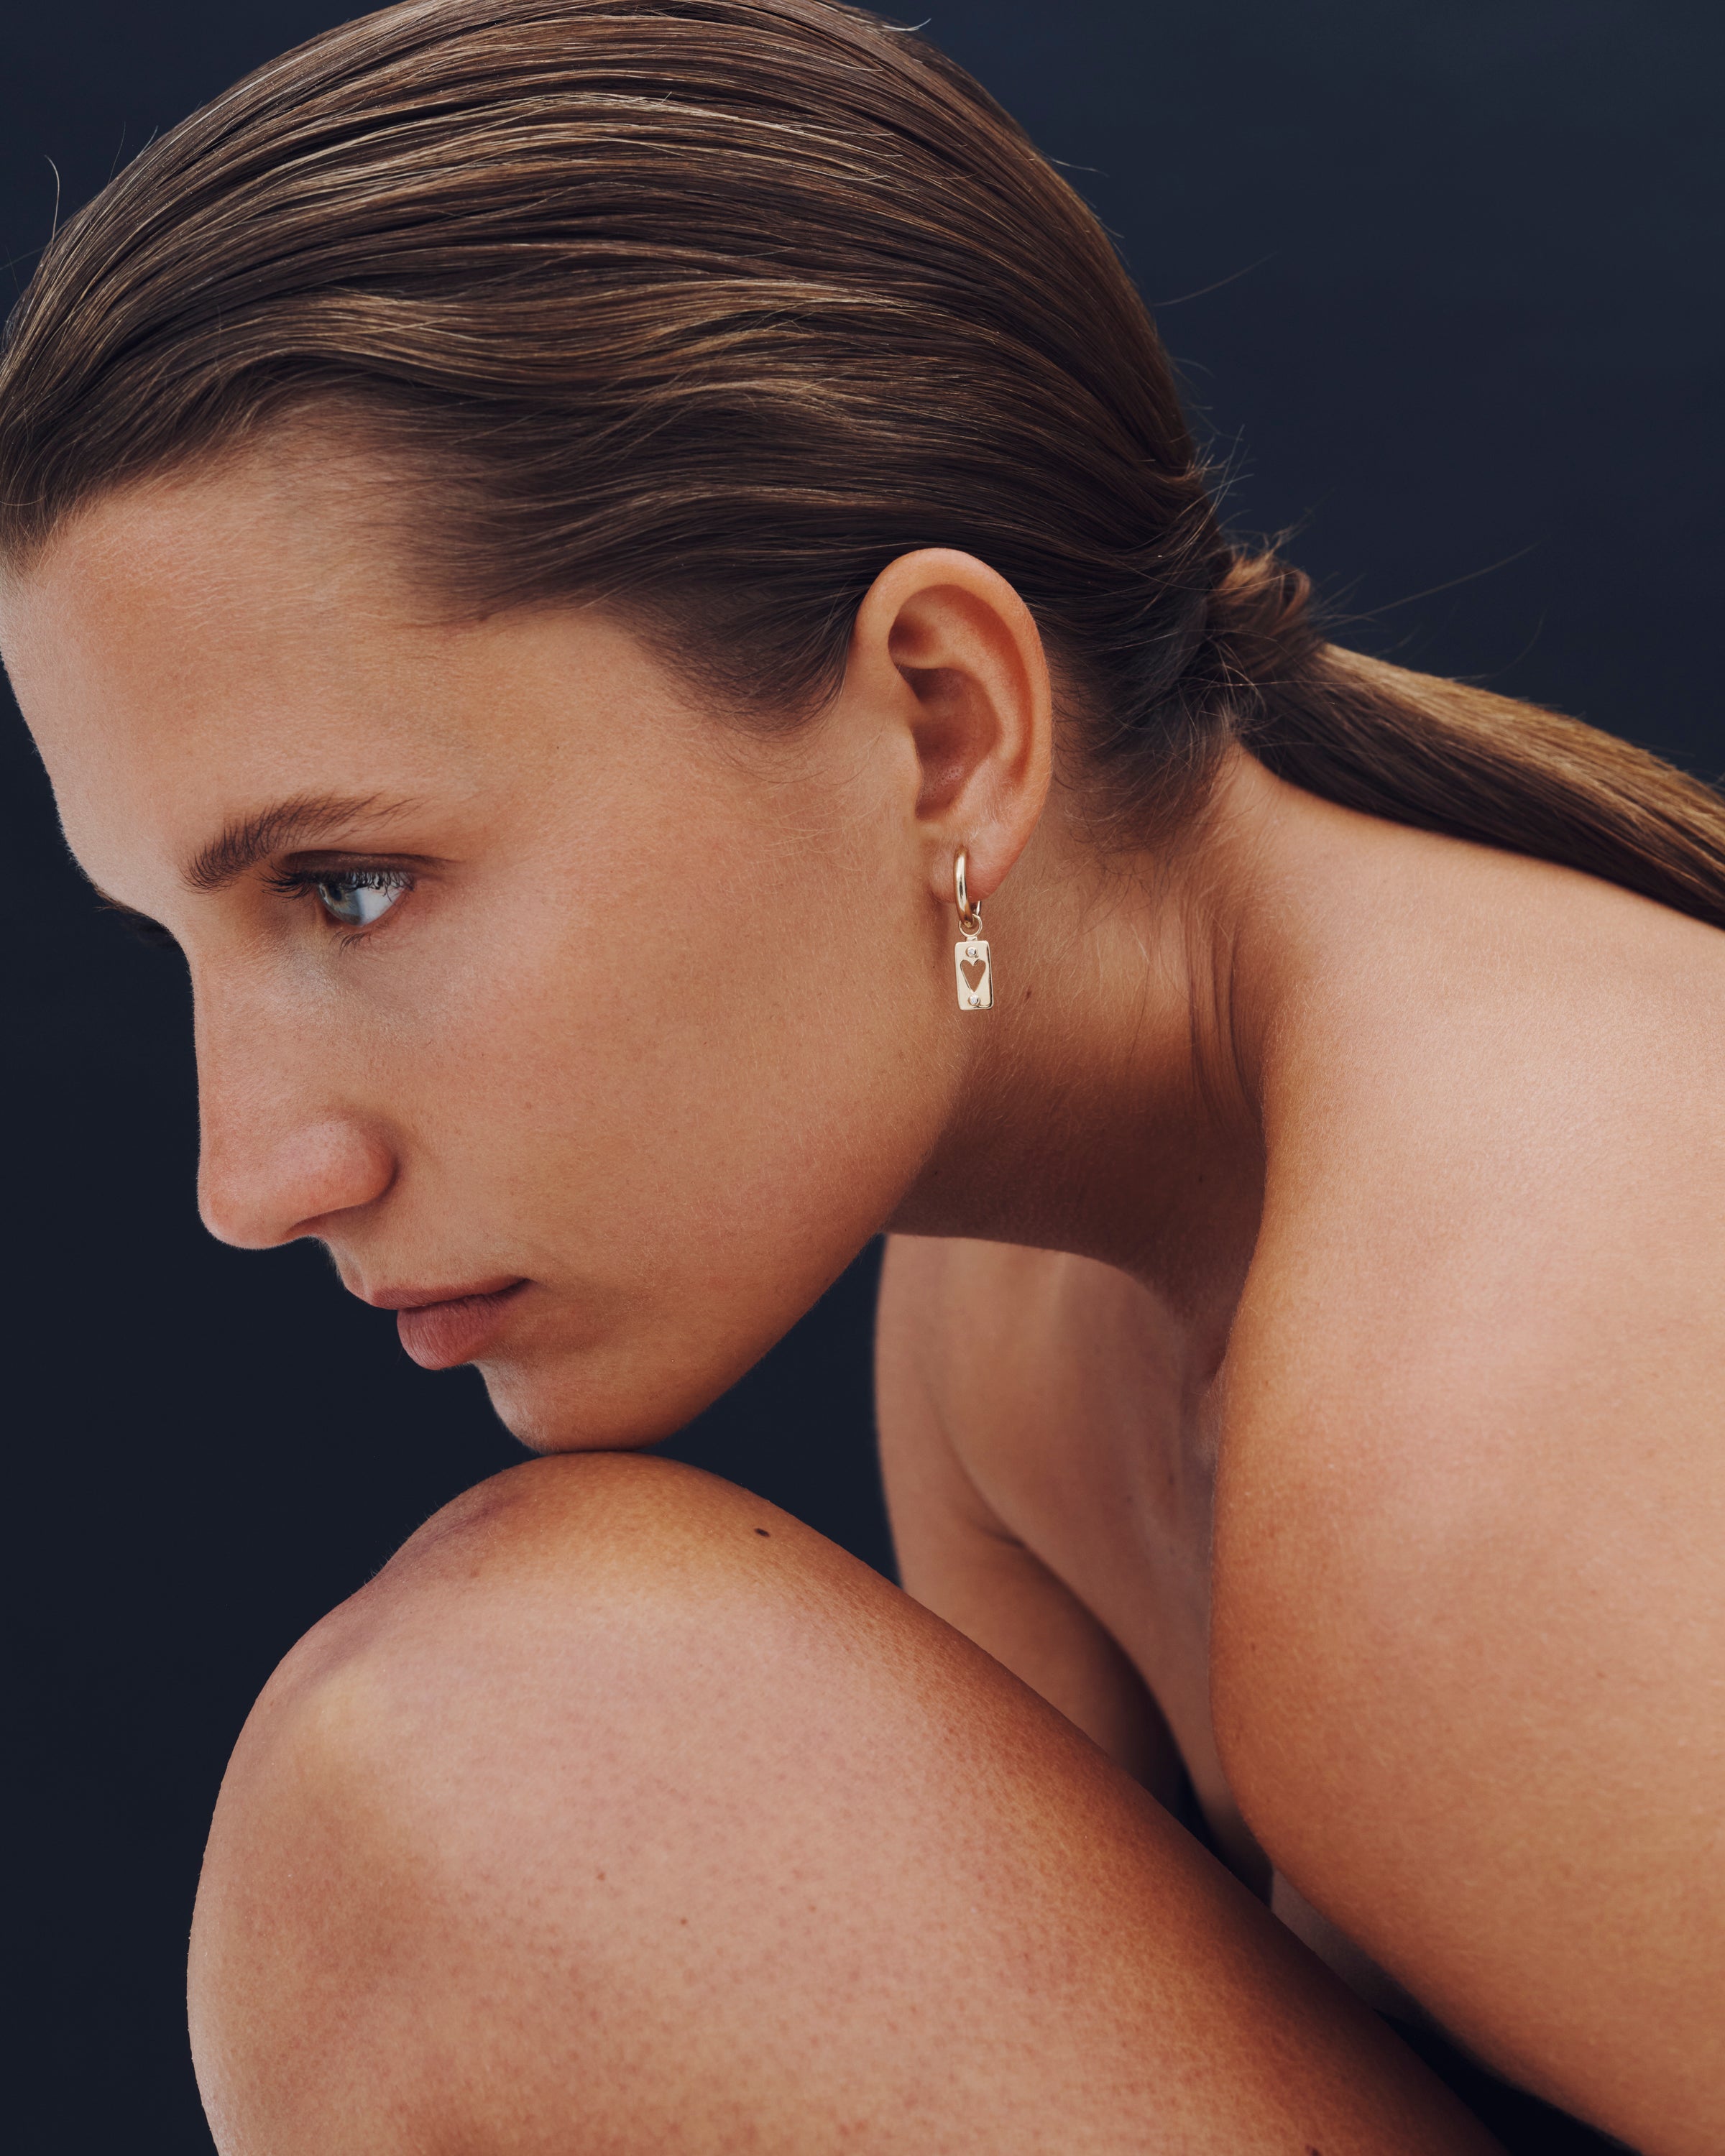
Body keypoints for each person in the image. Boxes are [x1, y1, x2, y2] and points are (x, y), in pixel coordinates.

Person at [1, 1, 1718, 2148]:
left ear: (940, 728)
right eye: (182, 946)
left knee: (499, 1758)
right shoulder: (1019, 1292)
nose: (254, 1174)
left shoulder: (1502, 1440)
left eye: (348, 891)